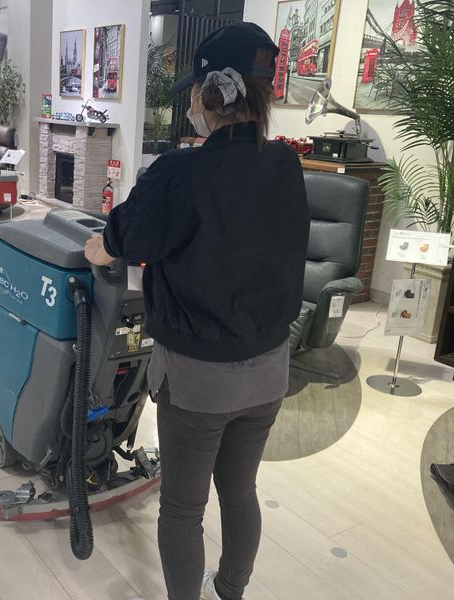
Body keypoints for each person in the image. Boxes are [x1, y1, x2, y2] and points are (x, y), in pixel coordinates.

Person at [84, 23, 310, 600]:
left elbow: (124, 239)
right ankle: (231, 590)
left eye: (192, 91)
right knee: (240, 490)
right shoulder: (285, 165)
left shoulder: (179, 173)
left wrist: (96, 249)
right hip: (269, 367)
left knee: (183, 509)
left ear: (211, 94)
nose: (189, 102)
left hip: (199, 378)